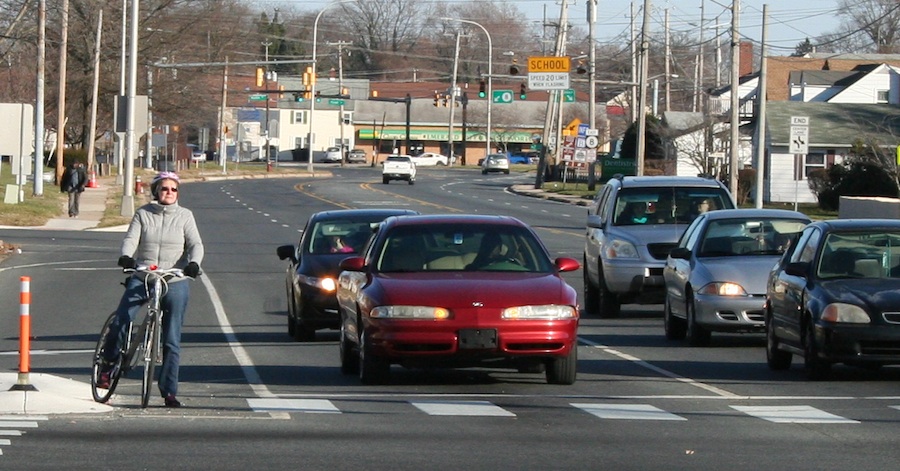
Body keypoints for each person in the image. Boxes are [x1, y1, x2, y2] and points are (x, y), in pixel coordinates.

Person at [98, 171, 204, 408]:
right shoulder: (143, 213)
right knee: (122, 319)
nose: (169, 193)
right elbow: (131, 239)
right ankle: (108, 364)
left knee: (171, 339)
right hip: (144, 275)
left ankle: (169, 391)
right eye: (165, 188)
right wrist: (126, 257)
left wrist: (194, 264)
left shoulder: (186, 216)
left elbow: (196, 244)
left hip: (173, 278)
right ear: (156, 190)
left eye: (174, 189)